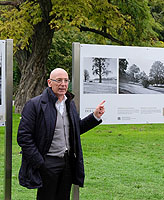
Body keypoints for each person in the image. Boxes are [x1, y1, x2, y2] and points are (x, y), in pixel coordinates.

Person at [17, 68, 105, 200]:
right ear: (49, 82)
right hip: (47, 162)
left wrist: (95, 116)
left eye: (66, 80)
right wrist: (40, 163)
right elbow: (24, 137)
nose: (63, 84)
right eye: (58, 80)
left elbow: (75, 130)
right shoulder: (35, 105)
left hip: (67, 162)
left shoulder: (69, 103)